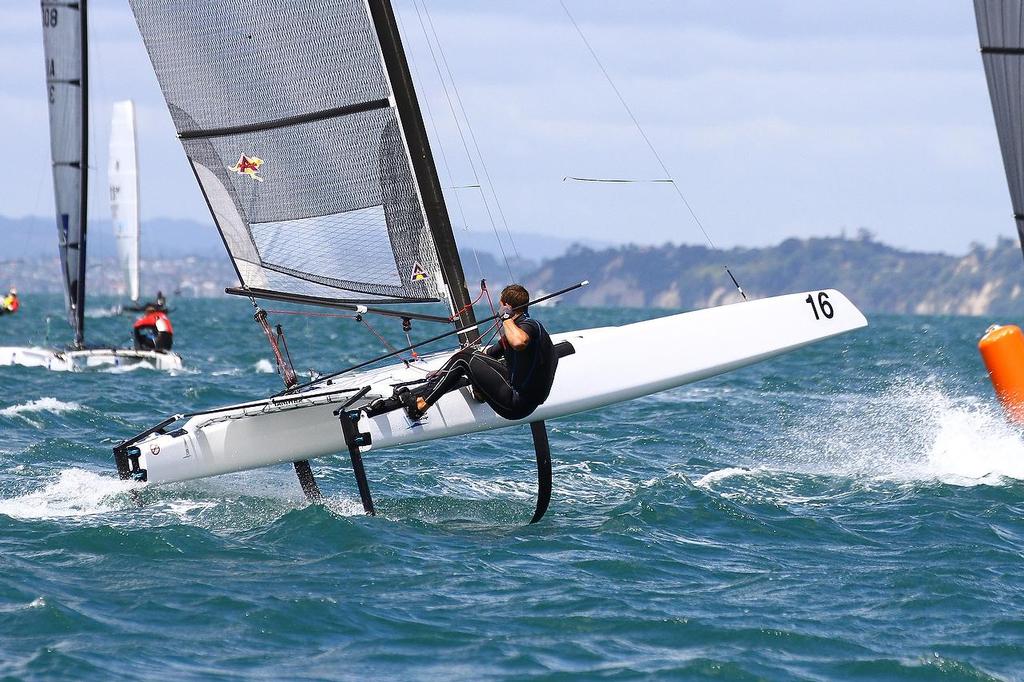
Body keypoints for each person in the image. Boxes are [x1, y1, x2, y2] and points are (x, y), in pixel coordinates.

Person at [395, 284, 558, 422]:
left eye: (500, 306)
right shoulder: (521, 328)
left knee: (463, 358)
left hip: (516, 404)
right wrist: (445, 372)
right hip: (522, 400)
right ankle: (480, 393)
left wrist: (506, 318)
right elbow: (489, 355)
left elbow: (519, 342)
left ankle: (420, 406)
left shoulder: (529, 325)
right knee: (468, 356)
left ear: (506, 306)